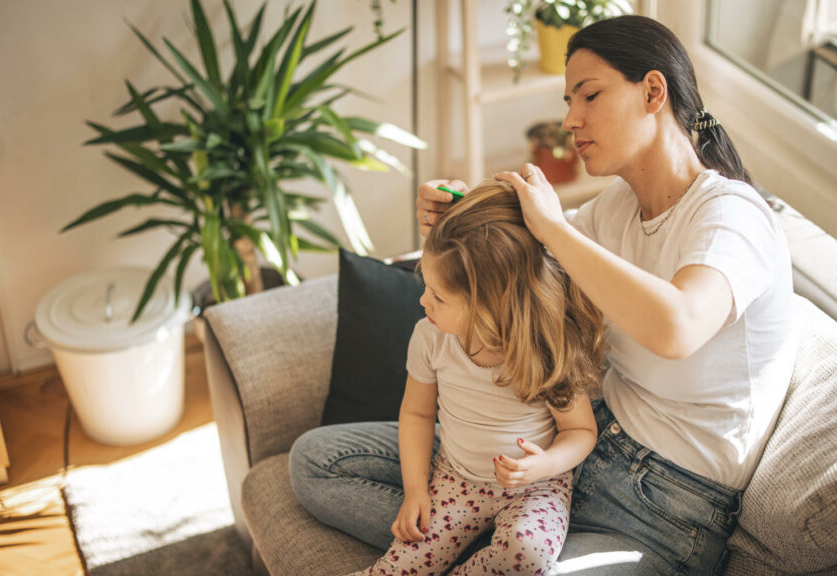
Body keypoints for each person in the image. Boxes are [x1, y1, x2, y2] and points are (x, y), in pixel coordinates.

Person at [293, 15, 795, 575]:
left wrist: (555, 229)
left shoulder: (731, 216)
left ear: (653, 91)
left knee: (526, 560)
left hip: (658, 507)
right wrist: (455, 214)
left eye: (589, 95)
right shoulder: (617, 207)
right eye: (567, 99)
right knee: (317, 461)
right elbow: (510, 262)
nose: (569, 119)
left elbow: (676, 327)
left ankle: (475, 549)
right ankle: (456, 536)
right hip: (555, 452)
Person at [343, 179, 607, 576]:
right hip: (455, 479)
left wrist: (546, 464)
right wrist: (416, 491)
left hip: (534, 489)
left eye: (438, 296)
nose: (422, 301)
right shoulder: (430, 338)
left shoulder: (545, 348)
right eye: (426, 287)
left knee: (527, 555)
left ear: (490, 307)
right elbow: (416, 416)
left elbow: (582, 431)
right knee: (397, 568)